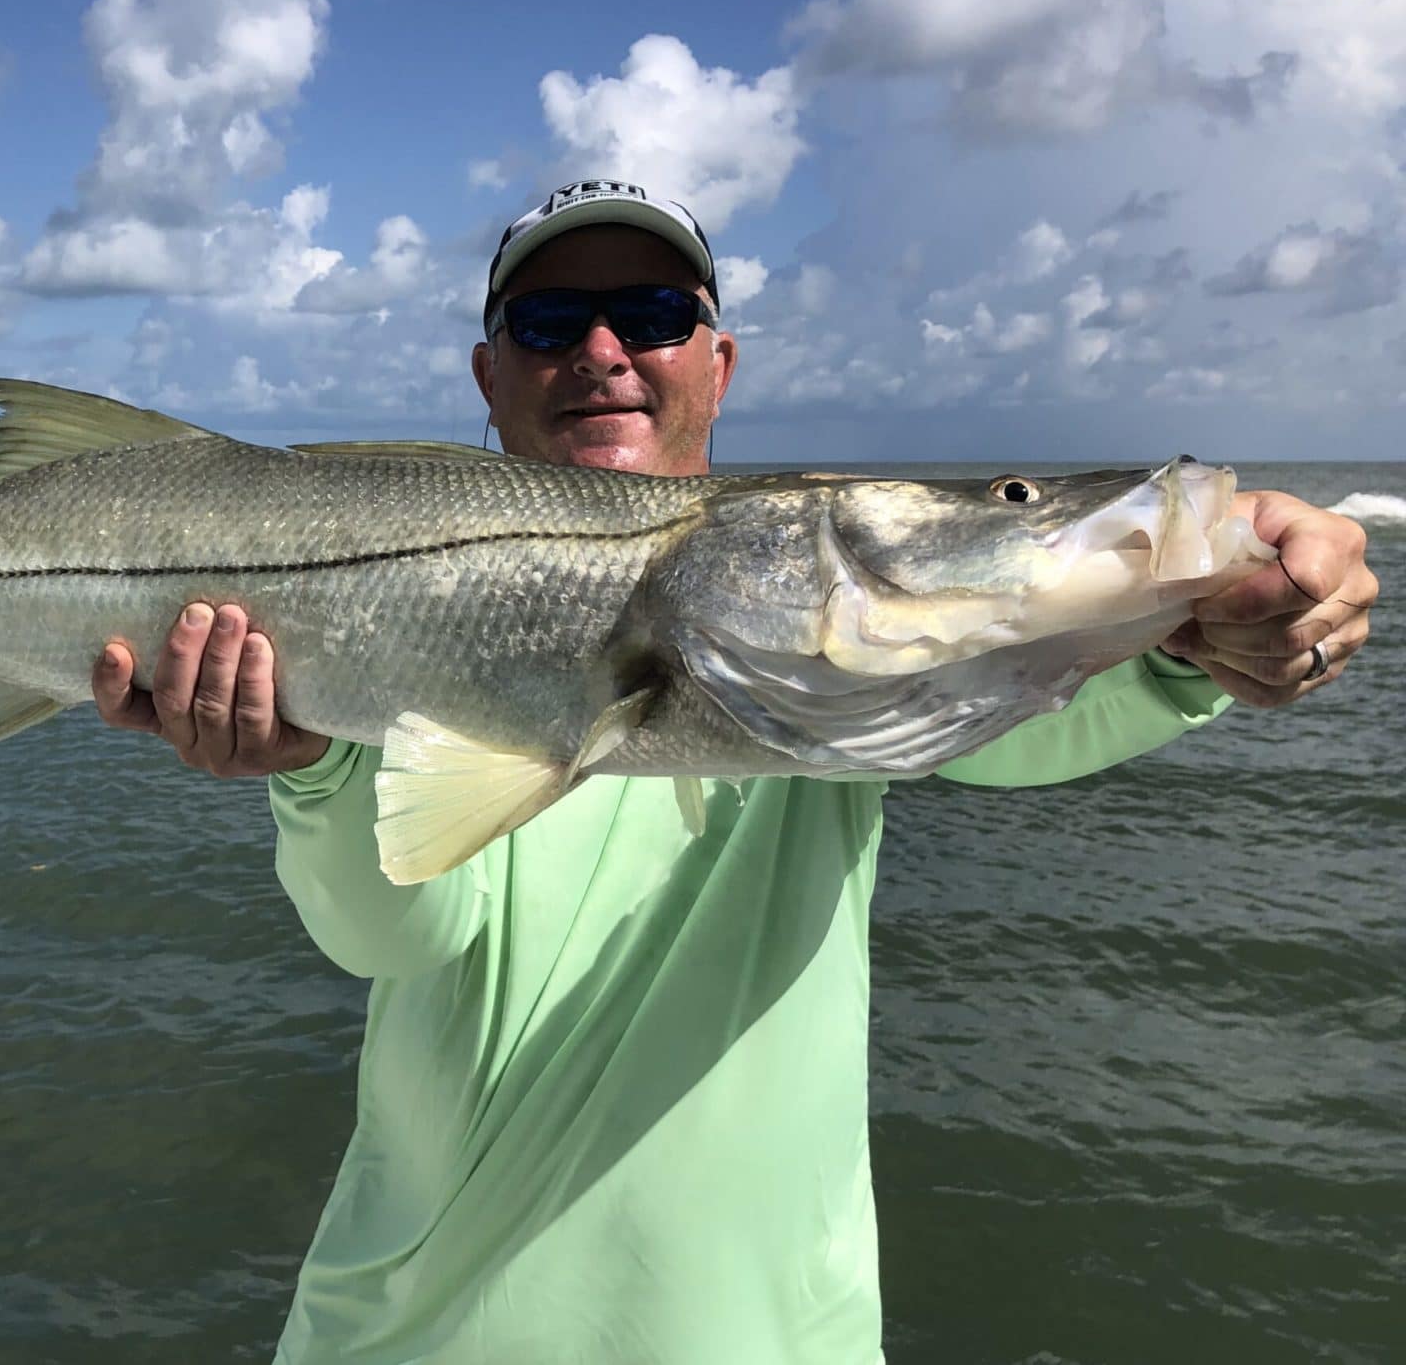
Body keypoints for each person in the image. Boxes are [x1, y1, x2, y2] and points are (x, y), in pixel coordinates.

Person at [90, 181, 1380, 1363]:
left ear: (718, 362)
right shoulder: (416, 612)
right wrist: (309, 773)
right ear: (489, 375)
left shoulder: (843, 668)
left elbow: (1039, 688)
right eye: (552, 320)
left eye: (652, 314)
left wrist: (1223, 623)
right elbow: (396, 932)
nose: (604, 353)